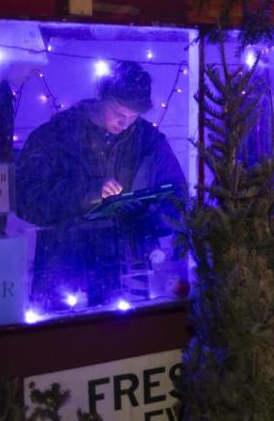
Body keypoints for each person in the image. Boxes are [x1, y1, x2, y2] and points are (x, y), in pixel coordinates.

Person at [16, 60, 187, 311]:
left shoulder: (150, 141)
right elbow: (25, 200)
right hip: (64, 273)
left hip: (130, 274)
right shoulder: (54, 137)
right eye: (118, 113)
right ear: (100, 96)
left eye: (133, 116)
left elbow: (180, 199)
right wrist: (88, 193)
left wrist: (147, 216)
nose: (125, 123)